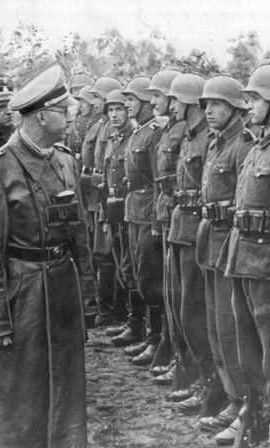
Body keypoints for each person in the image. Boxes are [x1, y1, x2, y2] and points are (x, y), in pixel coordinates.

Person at [0, 65, 89, 448]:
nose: (70, 117)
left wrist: (88, 296)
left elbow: (79, 233)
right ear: (41, 117)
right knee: (17, 393)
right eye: (64, 111)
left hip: (62, 290)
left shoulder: (65, 160)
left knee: (65, 385)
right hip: (22, 296)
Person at [217, 64, 270, 446]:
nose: (247, 105)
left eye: (255, 99)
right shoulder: (257, 145)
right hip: (242, 260)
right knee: (246, 349)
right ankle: (253, 414)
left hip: (269, 265)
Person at [194, 75, 252, 434]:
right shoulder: (217, 143)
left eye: (216, 104)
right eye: (206, 104)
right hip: (211, 243)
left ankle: (242, 401)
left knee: (232, 330)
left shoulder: (242, 144)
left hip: (231, 244)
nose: (209, 110)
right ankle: (228, 394)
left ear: (234, 107)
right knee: (215, 327)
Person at [165, 73, 216, 411]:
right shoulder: (189, 137)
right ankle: (195, 374)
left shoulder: (208, 139)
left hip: (198, 229)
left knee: (195, 311)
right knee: (181, 308)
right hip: (181, 225)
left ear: (189, 102)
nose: (171, 106)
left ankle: (208, 381)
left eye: (175, 100)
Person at [110, 77, 164, 368]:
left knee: (149, 278)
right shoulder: (138, 132)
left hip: (148, 213)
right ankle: (142, 329)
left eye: (131, 99)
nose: (126, 104)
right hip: (134, 210)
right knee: (132, 271)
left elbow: (159, 181)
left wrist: (156, 219)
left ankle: (156, 339)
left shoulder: (154, 133)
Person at [146, 70, 186, 381]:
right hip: (167, 214)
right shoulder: (170, 129)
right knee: (168, 291)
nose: (164, 104)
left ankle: (175, 355)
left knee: (179, 297)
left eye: (166, 97)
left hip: (181, 216)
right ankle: (167, 348)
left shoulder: (184, 130)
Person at [94, 90, 134, 333]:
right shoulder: (113, 139)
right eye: (111, 110)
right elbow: (107, 180)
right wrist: (104, 215)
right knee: (119, 263)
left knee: (131, 266)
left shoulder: (133, 137)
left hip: (130, 210)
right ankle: (126, 316)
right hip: (113, 210)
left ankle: (131, 317)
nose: (115, 115)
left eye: (120, 109)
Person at [66, 86, 95, 166]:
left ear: (91, 103)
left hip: (87, 165)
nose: (80, 106)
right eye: (79, 102)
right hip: (72, 162)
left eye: (84, 102)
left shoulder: (95, 122)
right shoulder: (75, 117)